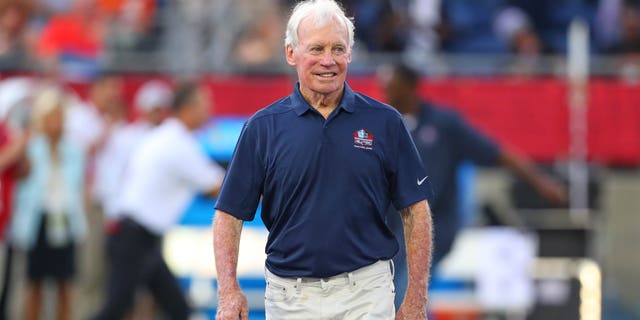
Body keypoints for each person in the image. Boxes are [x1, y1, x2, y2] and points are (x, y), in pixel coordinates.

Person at [213, 1, 433, 319]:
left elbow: (416, 212)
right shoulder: (263, 127)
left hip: (366, 294)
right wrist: (228, 291)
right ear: (291, 53)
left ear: (350, 54)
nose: (327, 61)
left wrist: (416, 298)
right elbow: (228, 217)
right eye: (316, 48)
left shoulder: (386, 122)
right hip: (290, 297)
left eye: (337, 49)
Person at [379, 62, 568, 309]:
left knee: (405, 287)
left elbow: (497, 153)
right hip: (393, 228)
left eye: (391, 86)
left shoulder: (445, 124)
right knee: (388, 289)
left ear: (409, 86)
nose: (386, 92)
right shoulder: (384, 125)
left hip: (435, 226)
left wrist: (541, 183)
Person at [94, 82, 225, 320]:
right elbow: (218, 186)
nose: (209, 110)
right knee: (116, 310)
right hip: (134, 237)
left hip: (139, 237)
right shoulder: (178, 143)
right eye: (204, 104)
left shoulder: (169, 136)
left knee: (176, 308)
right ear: (188, 108)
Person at [10, 85, 87, 320]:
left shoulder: (73, 150)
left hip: (64, 220)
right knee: (35, 285)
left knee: (65, 285)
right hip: (38, 221)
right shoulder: (31, 148)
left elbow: (77, 187)